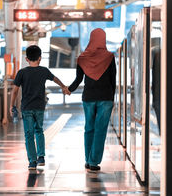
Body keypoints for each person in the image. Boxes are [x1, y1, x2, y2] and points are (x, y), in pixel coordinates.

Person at [10, 45, 69, 170]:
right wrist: (63, 86)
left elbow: (14, 91)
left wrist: (12, 105)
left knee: (29, 134)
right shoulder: (44, 71)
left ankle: (32, 161)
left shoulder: (21, 73)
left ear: (26, 59)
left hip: (26, 107)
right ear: (40, 58)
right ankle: (41, 156)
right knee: (39, 130)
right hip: (39, 107)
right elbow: (55, 79)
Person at [68, 28, 116, 172]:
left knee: (89, 128)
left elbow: (78, 80)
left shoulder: (83, 58)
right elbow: (113, 79)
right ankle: (94, 161)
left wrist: (68, 90)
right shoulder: (109, 57)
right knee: (100, 130)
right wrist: (112, 97)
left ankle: (88, 160)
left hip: (88, 97)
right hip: (105, 98)